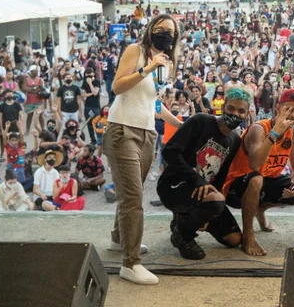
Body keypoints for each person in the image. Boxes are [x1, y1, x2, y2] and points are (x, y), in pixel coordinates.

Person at [104, 14, 180, 285]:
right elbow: (118, 86)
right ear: (150, 29)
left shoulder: (166, 63)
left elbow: (155, 105)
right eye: (160, 29)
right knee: (133, 198)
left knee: (130, 190)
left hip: (148, 134)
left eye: (170, 31)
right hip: (122, 130)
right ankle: (130, 262)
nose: (165, 35)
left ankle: (118, 239)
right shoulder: (135, 51)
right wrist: (147, 68)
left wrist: (180, 124)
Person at [157, 87, 252, 260]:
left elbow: (220, 176)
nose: (235, 114)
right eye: (231, 109)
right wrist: (197, 180)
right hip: (174, 185)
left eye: (241, 111)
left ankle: (186, 218)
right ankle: (182, 234)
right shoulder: (201, 121)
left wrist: (210, 214)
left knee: (234, 239)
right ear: (223, 107)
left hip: (203, 191)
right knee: (215, 201)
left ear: (247, 114)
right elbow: (169, 151)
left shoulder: (234, 140)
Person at [223, 89, 294, 256]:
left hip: (265, 182)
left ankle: (260, 209)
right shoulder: (259, 129)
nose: (293, 115)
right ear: (278, 108)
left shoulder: (292, 132)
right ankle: (248, 235)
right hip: (237, 186)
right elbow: (255, 165)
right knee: (257, 179)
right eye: (288, 109)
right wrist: (275, 132)